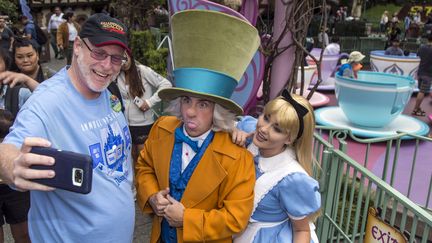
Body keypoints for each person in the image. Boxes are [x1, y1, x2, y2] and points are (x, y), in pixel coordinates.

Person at [0, 13, 135, 242]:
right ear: (78, 47)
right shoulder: (47, 102)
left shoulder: (108, 92)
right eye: (99, 53)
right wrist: (14, 166)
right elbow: (9, 149)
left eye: (116, 58)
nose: (107, 65)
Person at [135, 10, 259, 243]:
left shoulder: (237, 157)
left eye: (203, 104)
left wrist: (187, 219)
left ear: (217, 111)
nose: (190, 111)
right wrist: (152, 195)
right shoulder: (162, 128)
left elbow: (236, 218)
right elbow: (144, 167)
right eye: (186, 100)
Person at [232, 90, 321, 243]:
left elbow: (301, 229)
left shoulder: (292, 179)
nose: (263, 129)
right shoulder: (250, 129)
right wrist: (232, 131)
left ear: (289, 138)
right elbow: (223, 124)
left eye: (277, 129)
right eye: (266, 118)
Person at [115, 55, 171, 163]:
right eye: (120, 59)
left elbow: (166, 84)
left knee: (143, 159)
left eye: (125, 57)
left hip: (143, 124)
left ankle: (144, 179)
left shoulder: (143, 71)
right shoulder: (118, 74)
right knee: (130, 158)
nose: (124, 62)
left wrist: (150, 102)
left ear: (130, 54)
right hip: (125, 124)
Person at [412, 34, 432, 117]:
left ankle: (418, 107)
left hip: (420, 72)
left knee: (421, 90)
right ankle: (415, 109)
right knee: (422, 92)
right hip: (428, 74)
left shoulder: (422, 47)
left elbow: (417, 56)